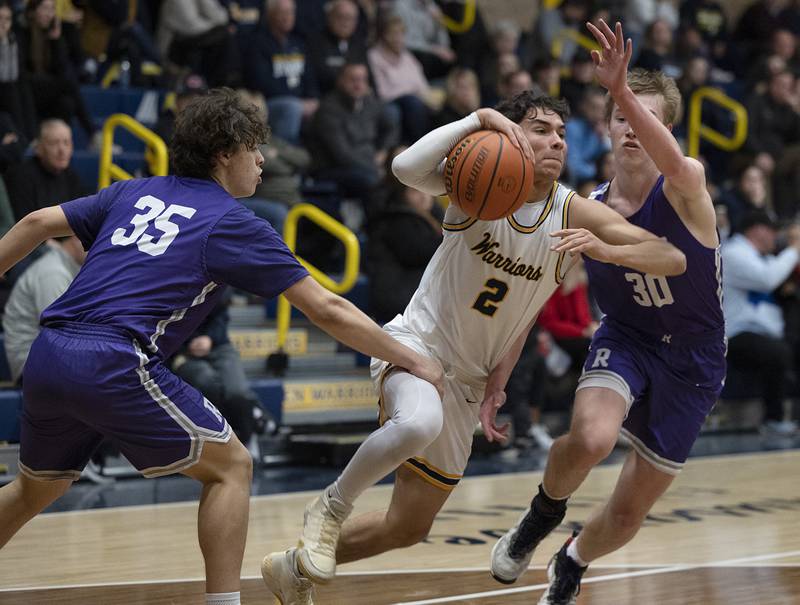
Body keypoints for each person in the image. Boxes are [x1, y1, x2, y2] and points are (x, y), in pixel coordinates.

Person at [0, 88, 443, 605]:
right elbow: (327, 309)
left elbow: (34, 223)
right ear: (223, 153)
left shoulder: (132, 190)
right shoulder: (231, 221)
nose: (262, 159)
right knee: (232, 467)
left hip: (49, 354)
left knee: (37, 488)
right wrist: (412, 358)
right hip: (113, 357)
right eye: (253, 147)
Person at [261, 90, 687, 603]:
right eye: (539, 128)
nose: (555, 140)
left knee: (407, 526)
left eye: (560, 133)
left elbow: (669, 257)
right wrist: (477, 119)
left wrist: (602, 249)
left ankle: (291, 569)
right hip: (416, 346)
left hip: (468, 381)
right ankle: (329, 507)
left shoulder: (572, 212)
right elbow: (403, 167)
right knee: (418, 422)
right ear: (510, 134)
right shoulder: (473, 182)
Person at [490, 22, 726, 605]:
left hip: (695, 356)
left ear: (664, 130)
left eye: (643, 118)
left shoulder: (687, 184)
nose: (630, 128)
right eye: (620, 116)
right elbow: (533, 294)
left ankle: (572, 559)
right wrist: (499, 372)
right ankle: (541, 514)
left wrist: (620, 89)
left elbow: (672, 256)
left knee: (625, 515)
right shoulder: (583, 207)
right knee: (592, 438)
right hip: (627, 337)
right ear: (606, 126)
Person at [722, 210, 800, 436]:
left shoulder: (762, 256)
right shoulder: (733, 253)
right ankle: (772, 420)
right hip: (736, 333)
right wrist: (794, 249)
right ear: (758, 230)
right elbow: (766, 279)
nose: (776, 238)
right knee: (776, 352)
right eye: (772, 232)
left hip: (763, 332)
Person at [2, 235, 85, 383]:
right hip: (30, 364)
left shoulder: (70, 268)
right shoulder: (54, 272)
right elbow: (62, 335)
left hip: (51, 359)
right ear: (77, 238)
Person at [4, 119, 85, 220]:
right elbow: (25, 226)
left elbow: (82, 222)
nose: (62, 150)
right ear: (39, 148)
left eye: (66, 143)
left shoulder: (72, 177)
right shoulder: (20, 177)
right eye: (54, 143)